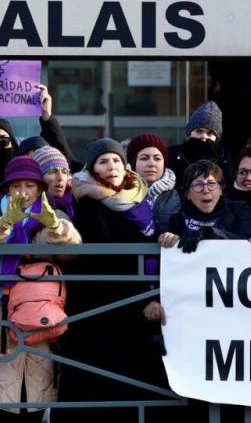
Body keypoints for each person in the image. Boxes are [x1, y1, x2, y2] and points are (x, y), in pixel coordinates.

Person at [55, 138, 155, 423]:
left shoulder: (139, 200)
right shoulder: (86, 202)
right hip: (97, 308)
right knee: (97, 385)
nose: (111, 166)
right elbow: (104, 248)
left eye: (115, 160)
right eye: (103, 161)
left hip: (133, 305)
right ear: (93, 169)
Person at [0, 156, 81, 423]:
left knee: (37, 384)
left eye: (29, 185)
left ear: (39, 189)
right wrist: (5, 224)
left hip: (38, 311)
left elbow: (72, 248)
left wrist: (55, 226)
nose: (22, 191)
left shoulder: (50, 213)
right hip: (3, 307)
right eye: (15, 186)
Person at [159, 160, 251, 253]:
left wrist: (208, 232)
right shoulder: (177, 219)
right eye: (198, 184)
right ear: (187, 193)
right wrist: (169, 239)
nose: (205, 190)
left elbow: (247, 243)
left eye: (211, 184)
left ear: (221, 190)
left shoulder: (239, 210)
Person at [168, 100, 234, 191]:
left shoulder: (223, 158)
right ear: (190, 132)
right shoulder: (173, 155)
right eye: (199, 131)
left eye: (210, 133)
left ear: (216, 138)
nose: (204, 136)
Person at [126, 133, 180, 234]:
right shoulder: (119, 194)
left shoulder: (179, 196)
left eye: (157, 158)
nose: (151, 163)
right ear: (133, 164)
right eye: (144, 158)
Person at [31, 146, 74, 220]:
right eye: (53, 172)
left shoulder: (77, 205)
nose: (60, 178)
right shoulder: (26, 211)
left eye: (64, 172)